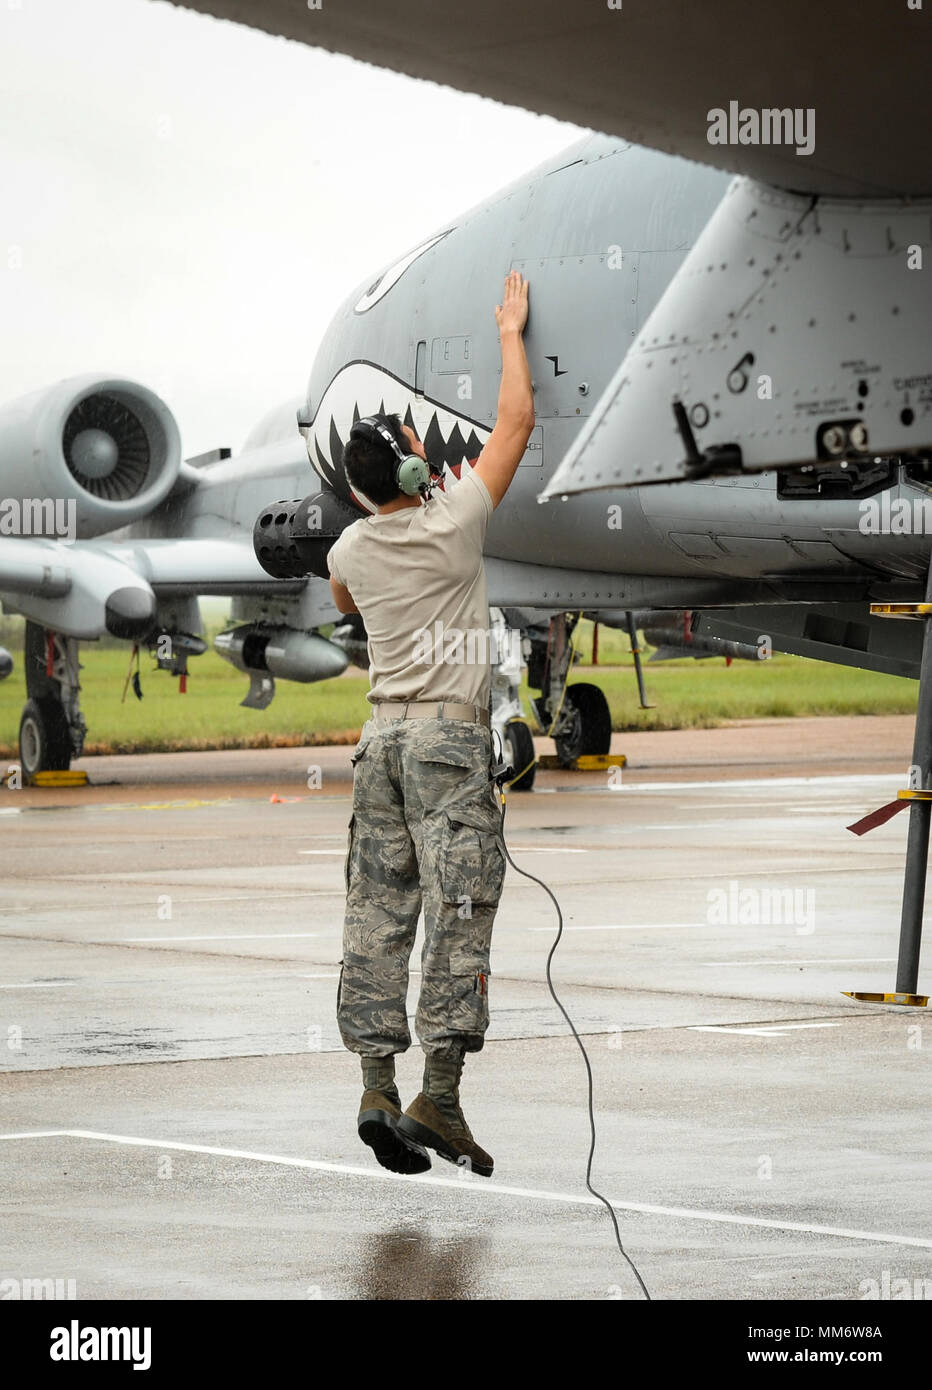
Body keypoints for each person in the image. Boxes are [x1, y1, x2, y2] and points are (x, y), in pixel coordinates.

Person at [327, 270, 533, 1177]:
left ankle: (375, 1082)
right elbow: (516, 424)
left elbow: (341, 590)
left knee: (377, 913)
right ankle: (438, 1097)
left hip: (380, 747)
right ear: (416, 465)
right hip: (450, 744)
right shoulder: (454, 525)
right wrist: (510, 332)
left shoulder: (350, 548)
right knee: (458, 914)